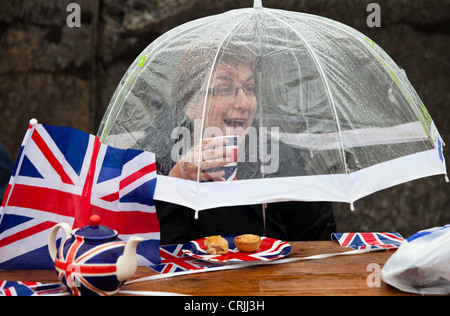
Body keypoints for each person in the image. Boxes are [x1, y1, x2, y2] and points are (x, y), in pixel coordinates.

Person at [136, 43, 337, 244]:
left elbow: (317, 241)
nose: (244, 104)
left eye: (249, 89)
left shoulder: (277, 157)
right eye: (224, 89)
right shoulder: (156, 157)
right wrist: (175, 184)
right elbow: (137, 245)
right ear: (190, 103)